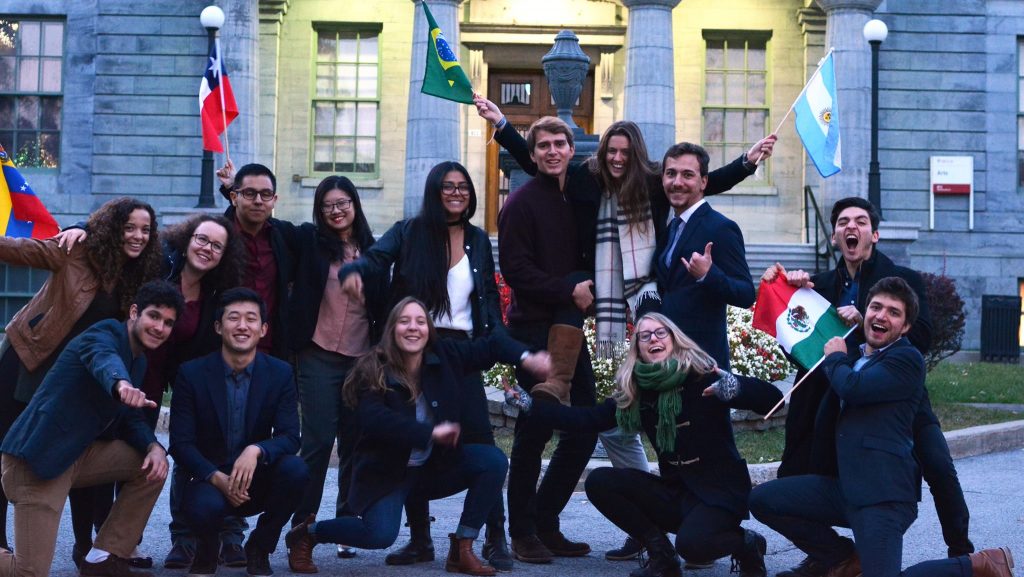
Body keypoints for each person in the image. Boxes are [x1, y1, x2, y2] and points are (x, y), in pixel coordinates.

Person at [476, 97, 774, 564]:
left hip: (659, 333)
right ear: (597, 155)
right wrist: (501, 128)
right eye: (609, 151)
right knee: (586, 426)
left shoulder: (656, 190)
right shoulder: (581, 182)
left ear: (636, 157)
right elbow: (539, 162)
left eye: (624, 152)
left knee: (687, 436)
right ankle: (549, 529)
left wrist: (746, 164)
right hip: (590, 323)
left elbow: (700, 183)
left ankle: (707, 524)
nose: (616, 158)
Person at [749, 277, 1014, 577]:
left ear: (906, 327)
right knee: (763, 500)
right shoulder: (855, 355)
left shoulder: (906, 360)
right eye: (876, 307)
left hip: (884, 498)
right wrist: (787, 285)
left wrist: (835, 357)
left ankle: (977, 565)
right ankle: (841, 557)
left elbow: (853, 387)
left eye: (893, 312)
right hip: (842, 488)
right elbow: (810, 353)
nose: (881, 315)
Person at [764, 196, 973, 574]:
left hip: (894, 398)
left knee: (939, 466)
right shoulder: (821, 285)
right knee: (808, 472)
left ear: (873, 234)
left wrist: (864, 319)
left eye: (861, 221)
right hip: (837, 396)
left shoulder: (900, 280)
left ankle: (962, 551)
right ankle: (833, 555)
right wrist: (784, 287)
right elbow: (800, 338)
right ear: (834, 237)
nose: (851, 227)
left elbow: (922, 336)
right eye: (843, 222)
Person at [284, 297, 551, 576]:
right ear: (392, 329)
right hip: (388, 474)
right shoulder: (372, 369)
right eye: (405, 321)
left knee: (493, 461)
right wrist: (430, 433)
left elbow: (492, 345)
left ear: (429, 330)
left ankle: (463, 546)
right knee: (379, 535)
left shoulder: (445, 355)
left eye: (420, 321)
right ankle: (309, 533)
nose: (413, 328)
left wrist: (527, 357)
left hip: (432, 469)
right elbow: (376, 421)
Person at [505, 312, 780, 577]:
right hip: (676, 490)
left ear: (674, 339)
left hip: (719, 493)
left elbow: (772, 399)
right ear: (638, 349)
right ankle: (661, 554)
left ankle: (746, 543)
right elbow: (588, 419)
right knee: (600, 482)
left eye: (661, 333)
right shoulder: (639, 389)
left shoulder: (702, 375)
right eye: (645, 336)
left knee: (694, 547)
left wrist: (736, 387)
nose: (653, 339)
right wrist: (532, 406)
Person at [339, 161, 514, 570]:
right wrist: (354, 270)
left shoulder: (477, 239)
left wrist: (500, 343)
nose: (456, 193)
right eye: (447, 187)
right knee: (415, 441)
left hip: (460, 352)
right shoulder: (409, 231)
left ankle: (493, 537)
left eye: (463, 187)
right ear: (434, 191)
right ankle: (420, 540)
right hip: (415, 349)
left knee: (482, 442)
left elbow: (487, 292)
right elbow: (377, 259)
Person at [0, 197, 163, 565]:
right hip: (30, 356)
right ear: (112, 228)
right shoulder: (77, 250)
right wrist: (83, 228)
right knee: (7, 446)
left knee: (78, 446)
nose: (138, 236)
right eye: (129, 228)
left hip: (80, 372)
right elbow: (23, 250)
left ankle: (90, 549)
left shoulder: (143, 273)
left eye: (145, 230)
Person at [0, 280, 181, 577]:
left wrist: (153, 446)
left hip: (77, 457)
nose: (160, 327)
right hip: (35, 462)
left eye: (168, 323)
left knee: (153, 466)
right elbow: (102, 359)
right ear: (134, 312)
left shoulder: (139, 361)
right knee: (29, 572)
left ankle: (102, 559)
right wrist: (120, 384)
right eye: (154, 316)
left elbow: (131, 418)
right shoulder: (104, 333)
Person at [495, 115, 599, 563]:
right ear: (533, 154)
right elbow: (515, 272)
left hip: (569, 332)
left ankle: (544, 519)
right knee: (533, 433)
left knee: (585, 428)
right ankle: (522, 531)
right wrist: (568, 291)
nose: (553, 151)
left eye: (560, 143)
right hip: (534, 332)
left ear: (571, 150)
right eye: (543, 146)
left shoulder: (575, 196)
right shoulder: (519, 204)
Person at [169, 288, 309, 577]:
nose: (242, 326)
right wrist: (215, 477)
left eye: (251, 319)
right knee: (202, 505)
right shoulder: (191, 374)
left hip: (255, 481)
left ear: (263, 329)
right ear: (219, 327)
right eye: (233, 318)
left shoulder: (280, 373)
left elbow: (290, 436)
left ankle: (259, 548)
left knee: (296, 470)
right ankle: (207, 550)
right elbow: (181, 443)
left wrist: (256, 450)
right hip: (210, 481)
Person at [287, 175, 388, 561]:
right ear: (320, 209)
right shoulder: (309, 243)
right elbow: (270, 227)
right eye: (328, 204)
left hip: (361, 361)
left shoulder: (375, 251)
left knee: (354, 444)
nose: (336, 210)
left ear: (355, 204)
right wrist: (233, 192)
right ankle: (303, 527)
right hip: (318, 353)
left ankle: (346, 524)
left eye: (343, 202)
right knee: (316, 441)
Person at [655, 142, 755, 371]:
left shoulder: (720, 228)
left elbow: (746, 293)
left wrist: (709, 275)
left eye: (687, 175)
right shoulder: (670, 227)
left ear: (704, 182)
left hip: (703, 364)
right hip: (667, 362)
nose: (677, 182)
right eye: (671, 174)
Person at [216, 161, 295, 360]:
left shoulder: (284, 236)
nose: (259, 201)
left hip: (271, 350)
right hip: (221, 349)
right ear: (234, 197)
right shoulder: (217, 237)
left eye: (265, 194)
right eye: (250, 193)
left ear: (274, 199)